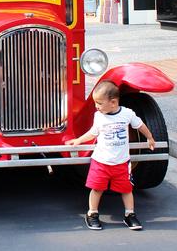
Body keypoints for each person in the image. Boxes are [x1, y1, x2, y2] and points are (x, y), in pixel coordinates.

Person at [67, 81, 156, 231]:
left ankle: (130, 214)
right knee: (96, 189)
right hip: (101, 162)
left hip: (121, 163)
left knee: (126, 190)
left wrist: (150, 137)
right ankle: (92, 213)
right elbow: (93, 132)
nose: (97, 106)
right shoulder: (99, 116)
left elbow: (139, 124)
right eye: (96, 103)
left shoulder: (127, 114)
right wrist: (78, 140)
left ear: (113, 102)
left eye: (100, 103)